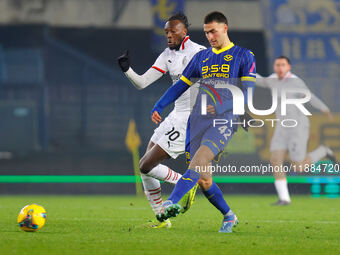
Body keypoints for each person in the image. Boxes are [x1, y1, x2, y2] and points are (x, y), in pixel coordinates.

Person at [151, 11, 256, 233]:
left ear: (225, 28)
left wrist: (221, 106)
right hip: (196, 121)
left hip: (224, 121)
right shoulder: (201, 57)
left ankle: (171, 202)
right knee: (204, 179)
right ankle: (229, 216)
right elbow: (180, 86)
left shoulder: (244, 55)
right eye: (207, 32)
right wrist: (160, 104)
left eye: (213, 31)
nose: (210, 36)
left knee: (197, 163)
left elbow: (248, 95)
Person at [117, 12, 205, 228]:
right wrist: (127, 69)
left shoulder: (200, 53)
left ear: (184, 31)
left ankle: (185, 184)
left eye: (172, 31)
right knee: (145, 168)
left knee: (146, 164)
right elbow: (142, 82)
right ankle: (162, 218)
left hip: (189, 119)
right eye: (166, 31)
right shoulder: (167, 55)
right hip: (175, 114)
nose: (168, 35)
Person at [256, 56, 336, 205]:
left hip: (297, 126)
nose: (279, 68)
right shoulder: (273, 79)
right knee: (275, 160)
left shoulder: (296, 82)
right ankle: (284, 198)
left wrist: (324, 108)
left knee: (298, 166)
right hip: (282, 126)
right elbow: (260, 80)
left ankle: (323, 151)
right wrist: (245, 71)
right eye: (277, 65)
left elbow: (310, 97)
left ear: (288, 67)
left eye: (282, 65)